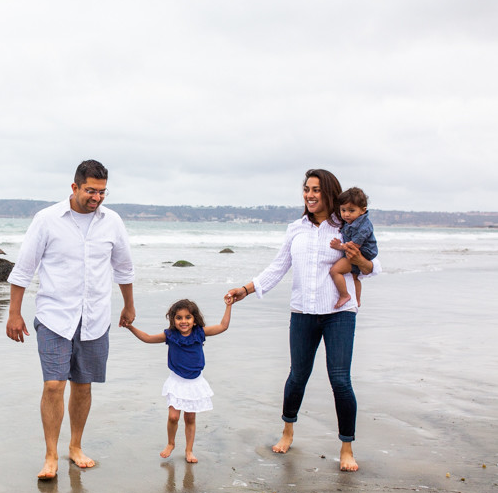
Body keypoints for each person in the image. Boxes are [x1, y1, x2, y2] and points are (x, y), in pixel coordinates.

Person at [226, 169, 381, 472]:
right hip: (303, 312)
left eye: (316, 190)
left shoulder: (347, 225)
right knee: (297, 376)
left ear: (330, 193)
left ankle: (347, 448)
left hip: (339, 314)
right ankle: (287, 431)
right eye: (306, 189)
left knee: (340, 379)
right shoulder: (295, 228)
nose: (310, 195)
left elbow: (372, 268)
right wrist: (246, 289)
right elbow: (278, 266)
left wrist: (360, 260)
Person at [6, 159, 136, 481]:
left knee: (83, 385)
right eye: (91, 190)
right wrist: (14, 312)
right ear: (75, 187)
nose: (97, 198)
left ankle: (75, 447)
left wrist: (128, 305)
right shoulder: (47, 220)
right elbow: (24, 269)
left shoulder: (112, 222)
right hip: (54, 316)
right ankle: (50, 455)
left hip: (95, 317)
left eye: (103, 192)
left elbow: (124, 268)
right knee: (53, 385)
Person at [124, 297, 233, 463]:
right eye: (179, 317)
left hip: (195, 383)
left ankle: (189, 450)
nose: (183, 321)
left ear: (195, 320)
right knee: (173, 417)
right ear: (173, 320)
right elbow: (147, 338)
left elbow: (223, 326)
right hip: (176, 381)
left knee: (190, 418)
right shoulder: (170, 336)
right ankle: (170, 443)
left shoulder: (200, 332)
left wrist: (228, 306)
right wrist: (130, 327)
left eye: (188, 317)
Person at [329, 187, 378, 308]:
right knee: (355, 277)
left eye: (351, 210)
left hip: (363, 252)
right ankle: (357, 300)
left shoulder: (363, 226)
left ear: (362, 210)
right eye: (343, 210)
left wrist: (338, 246)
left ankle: (345, 295)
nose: (346, 214)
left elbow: (353, 246)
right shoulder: (351, 221)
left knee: (335, 271)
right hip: (360, 251)